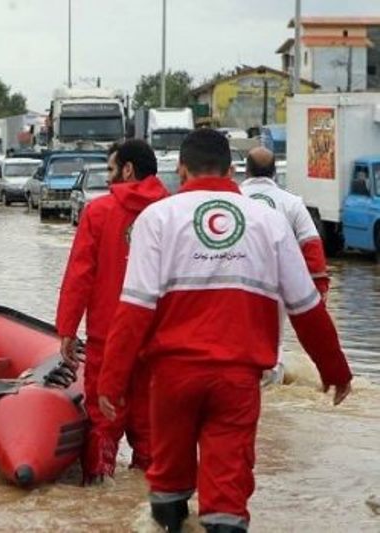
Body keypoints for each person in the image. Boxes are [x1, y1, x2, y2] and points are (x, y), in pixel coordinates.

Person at [97, 129, 352, 533]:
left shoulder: (158, 218)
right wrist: (335, 370)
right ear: (231, 170)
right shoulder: (269, 220)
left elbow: (134, 308)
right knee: (228, 492)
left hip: (171, 378)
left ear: (180, 170)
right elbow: (307, 307)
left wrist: (111, 380)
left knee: (167, 480)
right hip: (238, 380)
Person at [55, 140, 169, 484]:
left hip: (108, 339)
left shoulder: (99, 212)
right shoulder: (173, 212)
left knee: (103, 426)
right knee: (152, 433)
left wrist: (67, 329)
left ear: (128, 169)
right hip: (160, 342)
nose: (108, 178)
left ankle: (98, 493)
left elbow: (80, 275)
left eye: (110, 169)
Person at [240, 147, 329, 385]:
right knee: (272, 344)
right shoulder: (292, 204)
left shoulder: (232, 199)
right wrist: (317, 293)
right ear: (274, 173)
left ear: (246, 171)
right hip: (275, 287)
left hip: (232, 281)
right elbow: (312, 249)